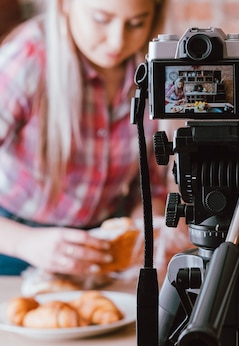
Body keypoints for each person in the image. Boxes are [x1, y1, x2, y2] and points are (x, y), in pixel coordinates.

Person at [0, 0, 183, 277]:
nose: (117, 41)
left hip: (99, 250)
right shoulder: (26, 58)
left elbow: (150, 186)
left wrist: (148, 234)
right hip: (13, 249)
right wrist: (24, 241)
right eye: (101, 19)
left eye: (136, 23)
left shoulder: (155, 72)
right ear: (64, 5)